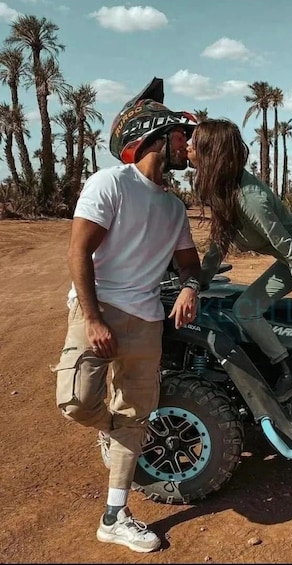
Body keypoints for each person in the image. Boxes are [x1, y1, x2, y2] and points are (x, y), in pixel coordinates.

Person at [52, 78, 202, 553]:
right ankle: (117, 433)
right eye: (181, 136)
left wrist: (191, 286)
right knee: (75, 401)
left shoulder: (174, 206)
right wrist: (93, 319)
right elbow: (79, 252)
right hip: (100, 309)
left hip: (146, 320)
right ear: (158, 137)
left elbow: (189, 262)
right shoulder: (110, 183)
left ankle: (114, 515)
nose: (187, 146)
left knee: (136, 413)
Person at [189, 118, 292, 448]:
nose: (188, 147)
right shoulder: (223, 190)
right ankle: (289, 369)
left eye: (195, 143)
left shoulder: (249, 197)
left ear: (211, 152)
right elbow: (216, 245)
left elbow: (286, 245)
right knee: (246, 309)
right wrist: (198, 282)